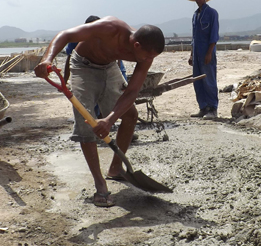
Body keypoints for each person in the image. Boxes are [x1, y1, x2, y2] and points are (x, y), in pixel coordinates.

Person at [34, 17, 165, 207]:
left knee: (130, 115)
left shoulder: (146, 54)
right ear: (136, 45)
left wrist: (110, 119)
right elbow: (65, 35)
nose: (149, 61)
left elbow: (132, 92)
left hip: (110, 67)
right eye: (148, 56)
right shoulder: (110, 28)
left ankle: (115, 168)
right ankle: (100, 183)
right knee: (87, 124)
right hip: (82, 66)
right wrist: (47, 59)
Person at [188, 0, 219, 120]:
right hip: (196, 53)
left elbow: (214, 35)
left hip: (207, 52)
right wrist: (191, 54)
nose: (198, 0)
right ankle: (203, 107)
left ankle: (213, 109)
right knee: (198, 81)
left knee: (209, 80)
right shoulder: (195, 15)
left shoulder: (212, 13)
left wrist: (209, 53)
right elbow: (194, 37)